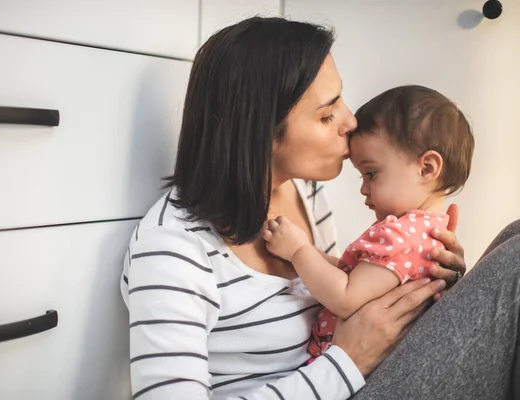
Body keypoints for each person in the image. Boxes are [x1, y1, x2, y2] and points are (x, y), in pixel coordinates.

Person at [120, 16, 519, 400]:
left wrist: (428, 274)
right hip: (345, 377)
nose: (350, 121)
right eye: (327, 114)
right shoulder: (171, 248)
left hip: (363, 376)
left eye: (341, 98)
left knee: (512, 238)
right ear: (263, 134)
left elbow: (346, 286)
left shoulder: (306, 194)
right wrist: (347, 362)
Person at [262, 85, 475, 362]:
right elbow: (353, 277)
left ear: (427, 168)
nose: (363, 189)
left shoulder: (400, 236)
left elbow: (345, 297)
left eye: (372, 174)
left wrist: (299, 251)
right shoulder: (426, 235)